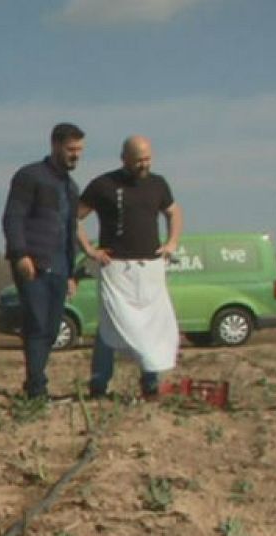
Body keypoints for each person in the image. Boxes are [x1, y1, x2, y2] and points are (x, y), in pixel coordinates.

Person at [76, 135, 183, 399]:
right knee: (109, 326)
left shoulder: (158, 184)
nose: (144, 165)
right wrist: (89, 249)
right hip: (116, 267)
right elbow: (73, 217)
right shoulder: (103, 185)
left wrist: (171, 243)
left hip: (150, 267)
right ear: (124, 158)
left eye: (147, 159)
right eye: (138, 160)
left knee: (151, 327)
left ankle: (150, 383)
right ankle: (99, 384)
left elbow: (174, 212)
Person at [2, 122, 85, 399]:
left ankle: (34, 382)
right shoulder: (30, 176)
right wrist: (20, 254)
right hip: (34, 264)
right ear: (55, 145)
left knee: (51, 329)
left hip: (60, 267)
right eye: (71, 149)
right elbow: (13, 217)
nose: (76, 155)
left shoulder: (71, 188)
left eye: (79, 150)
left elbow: (70, 231)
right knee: (37, 325)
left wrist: (72, 273)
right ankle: (37, 389)